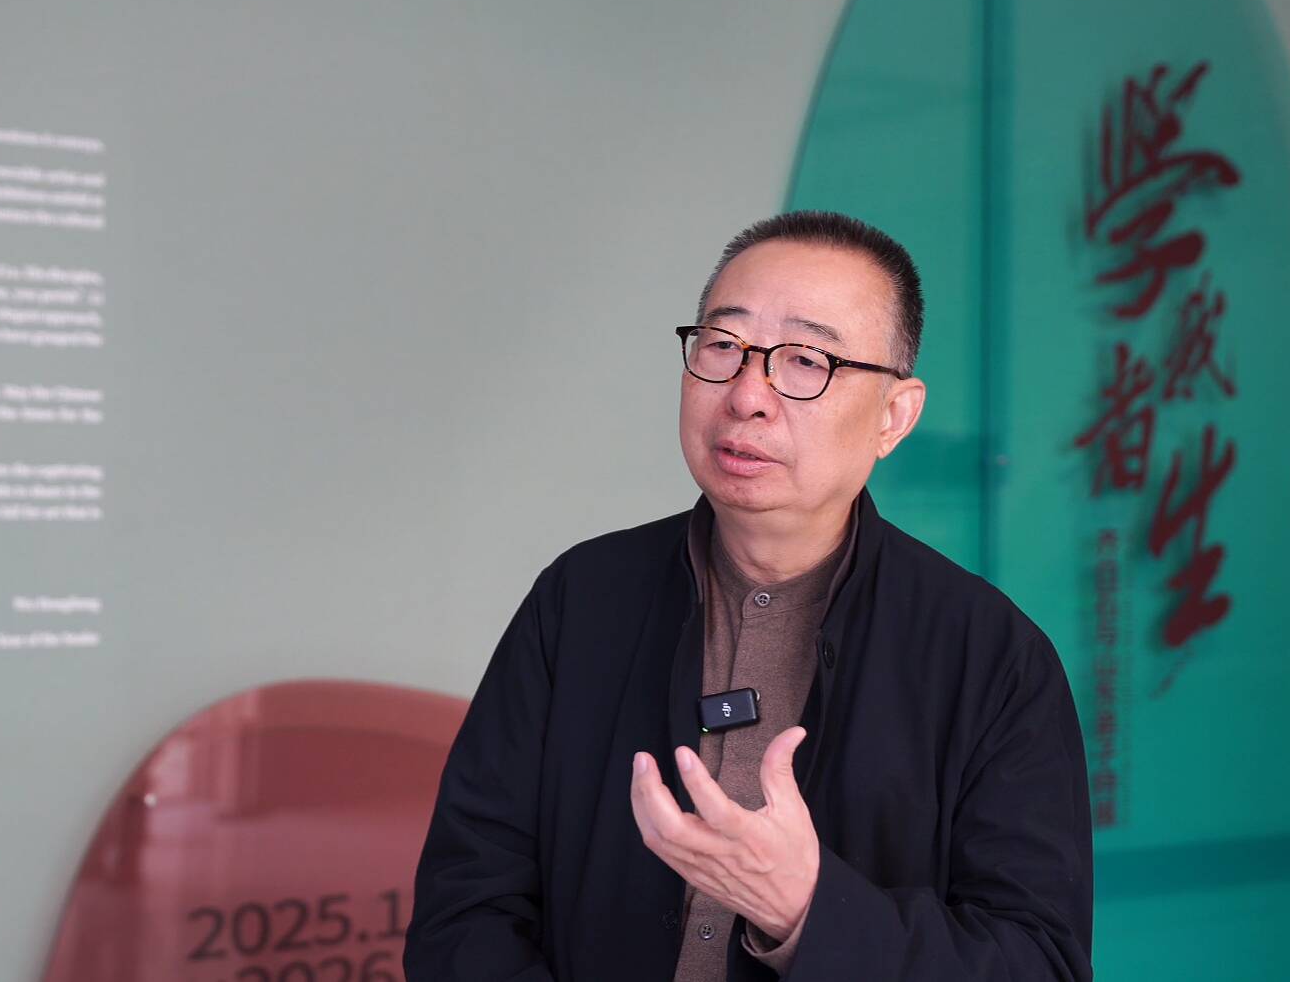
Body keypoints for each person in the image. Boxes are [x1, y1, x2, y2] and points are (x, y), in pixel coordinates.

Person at [405, 210, 1092, 981]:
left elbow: (1039, 962)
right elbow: (465, 905)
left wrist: (807, 910)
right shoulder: (581, 598)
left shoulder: (990, 657)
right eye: (723, 346)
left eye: (804, 360)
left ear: (894, 416)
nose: (745, 395)